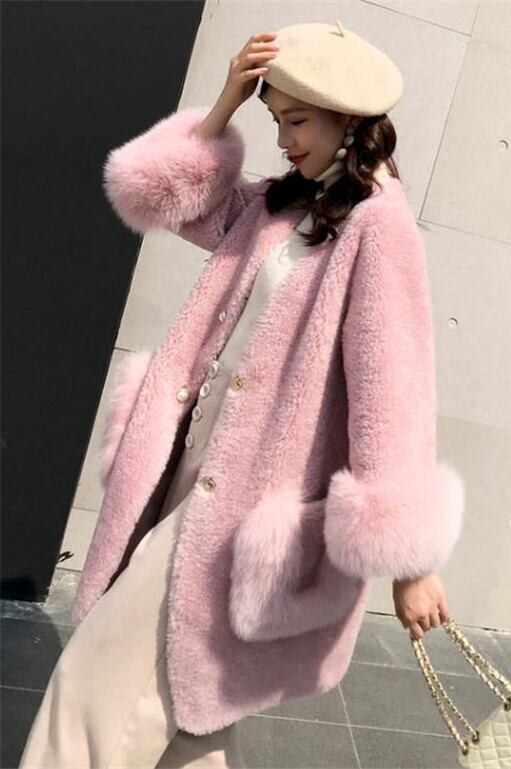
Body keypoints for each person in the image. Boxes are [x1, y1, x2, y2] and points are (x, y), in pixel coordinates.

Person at [19, 20, 464, 768]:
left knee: (92, 686)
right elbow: (161, 197)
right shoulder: (279, 206)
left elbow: (393, 393)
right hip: (188, 467)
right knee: (189, 717)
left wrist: (411, 561)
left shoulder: (378, 227)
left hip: (245, 498)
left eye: (299, 120)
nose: (284, 139)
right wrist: (226, 100)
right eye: (275, 119)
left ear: (350, 120)